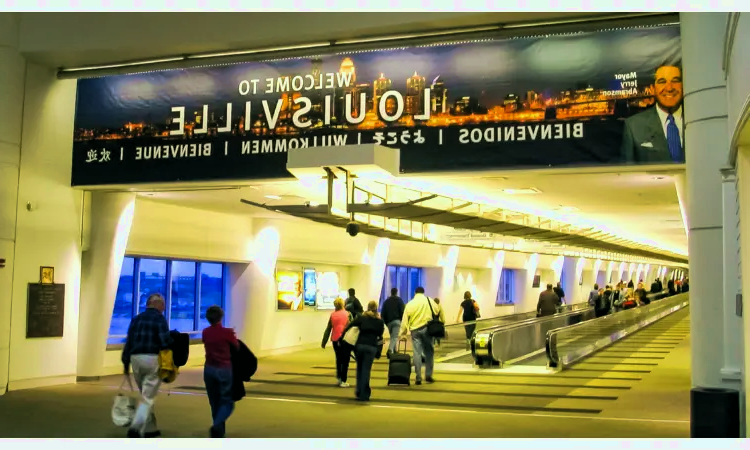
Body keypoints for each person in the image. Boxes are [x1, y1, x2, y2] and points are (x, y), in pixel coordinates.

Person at [122, 293, 173, 438]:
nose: (164, 308)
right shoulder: (159, 319)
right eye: (163, 305)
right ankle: (135, 428)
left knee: (145, 394)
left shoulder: (136, 319)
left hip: (135, 359)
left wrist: (125, 363)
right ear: (157, 304)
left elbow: (129, 341)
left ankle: (151, 429)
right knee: (148, 397)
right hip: (152, 358)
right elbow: (164, 342)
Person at [621, 63, 684, 164]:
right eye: (662, 82)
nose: (669, 88)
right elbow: (627, 175)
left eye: (675, 81)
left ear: (683, 85)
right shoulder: (634, 126)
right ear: (652, 88)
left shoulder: (698, 120)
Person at [202, 305, 239, 438]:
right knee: (227, 402)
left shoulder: (205, 332)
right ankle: (217, 425)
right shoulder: (227, 333)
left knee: (214, 402)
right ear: (221, 317)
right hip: (224, 369)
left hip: (209, 369)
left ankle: (219, 431)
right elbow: (236, 347)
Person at [399, 287, 445, 385]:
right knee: (429, 352)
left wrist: (403, 332)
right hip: (427, 329)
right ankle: (428, 375)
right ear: (423, 292)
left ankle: (418, 377)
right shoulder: (429, 300)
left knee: (417, 353)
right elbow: (437, 310)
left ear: (415, 292)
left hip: (415, 330)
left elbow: (404, 319)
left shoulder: (410, 303)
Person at [343, 301, 384, 402]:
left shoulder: (362, 318)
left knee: (360, 369)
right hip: (371, 347)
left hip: (360, 346)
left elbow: (350, 326)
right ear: (376, 308)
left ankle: (359, 390)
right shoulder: (379, 321)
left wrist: (342, 337)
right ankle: (364, 394)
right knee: (366, 370)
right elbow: (380, 334)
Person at [321, 298, 352, 387]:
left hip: (335, 339)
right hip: (345, 339)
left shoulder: (332, 315)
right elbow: (352, 326)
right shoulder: (348, 314)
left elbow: (328, 329)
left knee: (339, 359)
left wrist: (324, 341)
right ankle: (343, 380)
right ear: (343, 304)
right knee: (345, 360)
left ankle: (339, 378)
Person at [380, 288, 405, 358]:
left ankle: (395, 350)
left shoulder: (386, 301)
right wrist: (401, 320)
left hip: (388, 323)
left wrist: (385, 322)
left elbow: (382, 314)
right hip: (396, 321)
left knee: (392, 336)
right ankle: (390, 350)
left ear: (391, 292)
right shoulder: (399, 300)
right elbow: (402, 311)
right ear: (396, 292)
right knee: (394, 337)